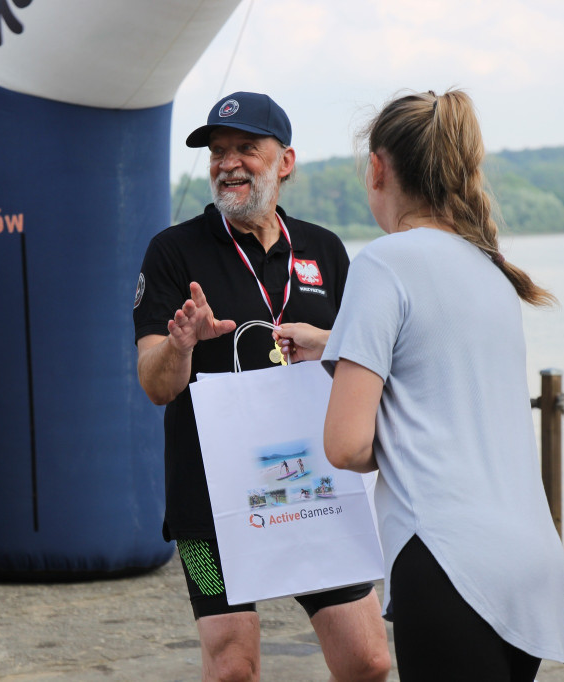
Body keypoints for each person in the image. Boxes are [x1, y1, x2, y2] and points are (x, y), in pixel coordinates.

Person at [134, 91, 390, 681]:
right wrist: (180, 345)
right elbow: (154, 384)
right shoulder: (173, 252)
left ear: (286, 160)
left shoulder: (324, 250)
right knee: (231, 669)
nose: (229, 162)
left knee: (370, 661)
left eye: (247, 148)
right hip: (206, 510)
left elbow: (360, 364)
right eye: (218, 151)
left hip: (315, 491)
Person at [321, 90, 564, 681]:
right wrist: (336, 343)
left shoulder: (383, 263)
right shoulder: (488, 267)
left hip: (447, 557)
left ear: (377, 168)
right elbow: (449, 385)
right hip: (529, 558)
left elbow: (346, 445)